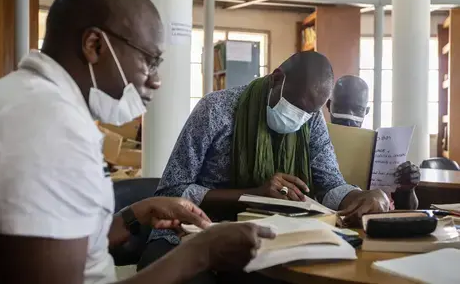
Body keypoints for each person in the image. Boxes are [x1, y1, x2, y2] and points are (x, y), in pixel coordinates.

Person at [0, 0, 276, 284]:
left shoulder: (32, 102)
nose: (156, 79)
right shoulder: (47, 129)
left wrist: (137, 214)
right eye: (149, 60)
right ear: (94, 45)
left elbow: (70, 243)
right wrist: (203, 251)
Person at [139, 52, 390, 281]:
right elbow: (171, 192)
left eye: (309, 112)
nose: (299, 118)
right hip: (188, 235)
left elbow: (330, 183)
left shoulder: (310, 121)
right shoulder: (216, 110)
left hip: (264, 240)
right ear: (276, 79)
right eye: (295, 107)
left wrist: (360, 197)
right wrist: (253, 195)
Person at [326, 75, 420, 210]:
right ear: (329, 105)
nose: (348, 117)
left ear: (366, 111)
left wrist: (408, 189)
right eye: (341, 107)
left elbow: (407, 209)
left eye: (357, 109)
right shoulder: (315, 139)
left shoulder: (384, 147)